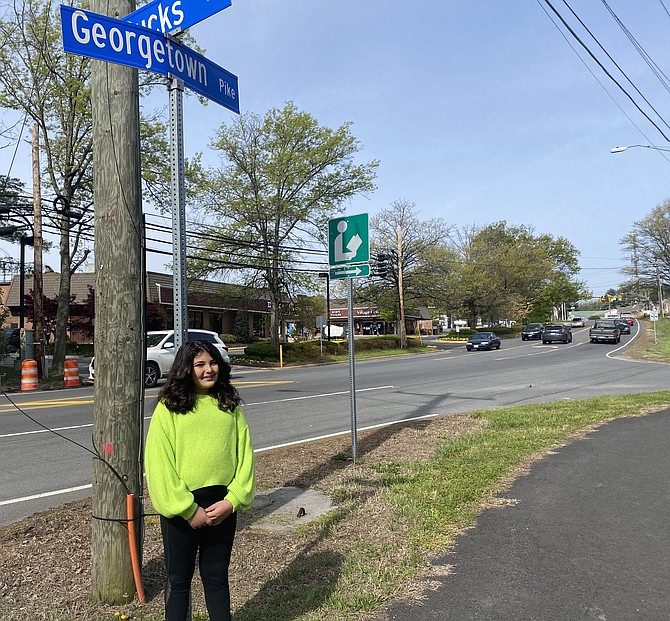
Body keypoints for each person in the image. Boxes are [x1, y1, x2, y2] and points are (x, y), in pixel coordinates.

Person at [145, 340, 255, 621]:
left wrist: (232, 501)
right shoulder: (168, 409)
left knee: (216, 577)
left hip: (222, 506)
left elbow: (245, 456)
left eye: (213, 362)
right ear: (186, 369)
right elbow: (159, 465)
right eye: (200, 365)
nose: (209, 370)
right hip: (182, 510)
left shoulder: (229, 405)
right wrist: (187, 508)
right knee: (179, 580)